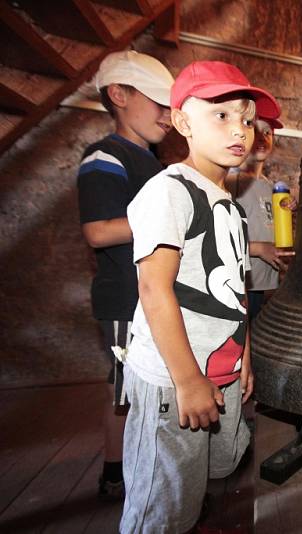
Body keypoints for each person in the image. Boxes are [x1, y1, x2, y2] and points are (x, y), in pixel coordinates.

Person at [121, 61, 282, 532]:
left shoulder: (228, 203)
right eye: (222, 115)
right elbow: (154, 289)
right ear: (183, 122)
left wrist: (244, 354)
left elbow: (234, 290)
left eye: (248, 119)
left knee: (196, 486)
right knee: (162, 502)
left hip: (219, 368)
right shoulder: (170, 191)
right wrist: (188, 380)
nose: (240, 130)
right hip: (175, 379)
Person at [76, 50, 174, 500]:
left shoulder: (154, 163)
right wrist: (173, 220)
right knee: (125, 391)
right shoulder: (106, 156)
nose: (169, 116)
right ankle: (116, 476)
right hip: (125, 300)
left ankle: (149, 467)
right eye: (159, 103)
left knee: (150, 387)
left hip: (154, 296)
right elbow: (98, 231)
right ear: (119, 95)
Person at [226, 117, 295, 320]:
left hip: (266, 285)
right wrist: (259, 248)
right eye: (256, 131)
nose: (262, 138)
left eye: (268, 132)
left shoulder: (270, 187)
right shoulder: (230, 181)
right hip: (241, 284)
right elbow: (216, 237)